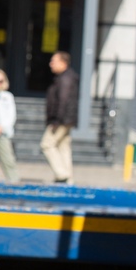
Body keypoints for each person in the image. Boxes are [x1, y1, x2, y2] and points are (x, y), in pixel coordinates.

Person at [41, 51, 78, 183]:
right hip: (66, 119)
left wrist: (56, 120)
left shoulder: (65, 78)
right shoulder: (64, 77)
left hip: (61, 120)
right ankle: (68, 179)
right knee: (63, 147)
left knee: (47, 144)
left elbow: (63, 100)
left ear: (63, 63)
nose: (51, 64)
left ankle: (62, 174)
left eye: (54, 61)